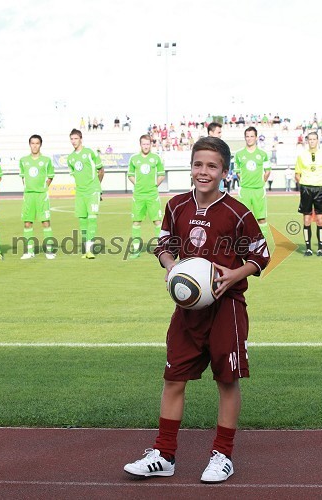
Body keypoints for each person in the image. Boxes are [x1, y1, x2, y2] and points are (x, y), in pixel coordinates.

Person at [124, 137, 270, 483]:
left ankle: (222, 456)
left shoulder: (238, 212)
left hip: (227, 309)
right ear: (191, 167)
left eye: (212, 166)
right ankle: (164, 454)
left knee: (227, 380)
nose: (204, 172)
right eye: (198, 165)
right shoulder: (175, 206)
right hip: (187, 310)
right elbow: (163, 245)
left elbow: (261, 254)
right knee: (173, 378)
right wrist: (172, 267)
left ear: (224, 171)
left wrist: (236, 274)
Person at [67, 129, 104, 259]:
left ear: (81, 139)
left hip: (92, 190)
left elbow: (101, 170)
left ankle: (90, 250)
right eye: (71, 139)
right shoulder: (70, 158)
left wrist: (97, 187)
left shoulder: (90, 153)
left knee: (92, 218)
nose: (73, 141)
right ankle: (86, 250)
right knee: (82, 220)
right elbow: (75, 174)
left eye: (76, 139)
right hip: (80, 192)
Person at [127, 134, 165, 259]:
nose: (146, 146)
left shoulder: (156, 158)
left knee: (157, 221)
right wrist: (137, 184)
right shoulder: (134, 159)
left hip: (152, 195)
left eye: (148, 144)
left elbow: (161, 174)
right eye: (143, 144)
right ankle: (136, 249)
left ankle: (161, 249)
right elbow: (130, 174)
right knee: (136, 222)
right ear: (140, 144)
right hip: (138, 195)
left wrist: (155, 185)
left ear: (151, 144)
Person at [19, 135, 56, 259]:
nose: (35, 145)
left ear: (41, 145)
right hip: (29, 195)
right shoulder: (23, 160)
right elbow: (23, 177)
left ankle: (49, 250)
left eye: (37, 143)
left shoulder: (46, 160)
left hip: (41, 195)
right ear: (29, 144)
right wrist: (27, 188)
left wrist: (44, 188)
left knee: (45, 222)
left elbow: (51, 176)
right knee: (27, 223)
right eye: (32, 143)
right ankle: (29, 251)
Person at [234, 127, 271, 238]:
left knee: (261, 218)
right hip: (244, 190)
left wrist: (261, 183)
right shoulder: (239, 154)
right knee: (242, 218)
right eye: (247, 136)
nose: (249, 139)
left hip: (258, 190)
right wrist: (245, 182)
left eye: (252, 136)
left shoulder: (263, 154)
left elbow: (267, 171)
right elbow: (238, 172)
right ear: (245, 138)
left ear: (256, 137)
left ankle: (262, 244)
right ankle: (245, 244)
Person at [294, 131, 322, 256]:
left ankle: (320, 248)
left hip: (320, 188)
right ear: (307, 141)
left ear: (317, 140)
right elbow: (297, 174)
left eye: (314, 139)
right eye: (310, 139)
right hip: (306, 189)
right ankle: (308, 248)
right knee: (307, 219)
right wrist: (304, 184)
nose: (312, 141)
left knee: (320, 220)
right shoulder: (301, 156)